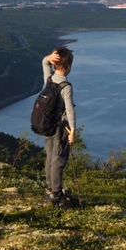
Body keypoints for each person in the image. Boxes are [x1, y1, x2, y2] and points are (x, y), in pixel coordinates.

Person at [42, 47, 77, 208]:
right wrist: (73, 131)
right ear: (68, 65)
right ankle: (57, 194)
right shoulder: (65, 86)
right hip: (59, 127)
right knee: (59, 159)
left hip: (48, 125)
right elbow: (69, 109)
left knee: (50, 156)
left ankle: (50, 188)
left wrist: (47, 59)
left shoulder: (49, 80)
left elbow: (44, 64)